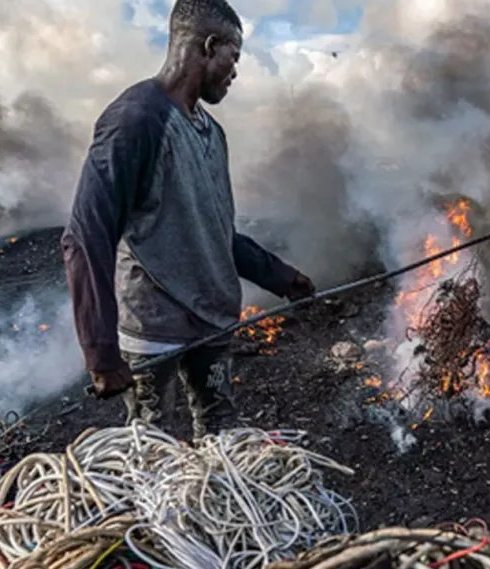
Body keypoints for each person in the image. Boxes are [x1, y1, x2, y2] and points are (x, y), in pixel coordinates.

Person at [61, 0, 315, 441]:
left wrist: (282, 277)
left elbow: (216, 229)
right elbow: (86, 236)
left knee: (222, 438)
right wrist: (101, 352)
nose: (235, 72)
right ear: (209, 45)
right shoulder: (135, 120)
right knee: (152, 450)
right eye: (233, 58)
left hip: (213, 320)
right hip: (154, 325)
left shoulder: (211, 132)